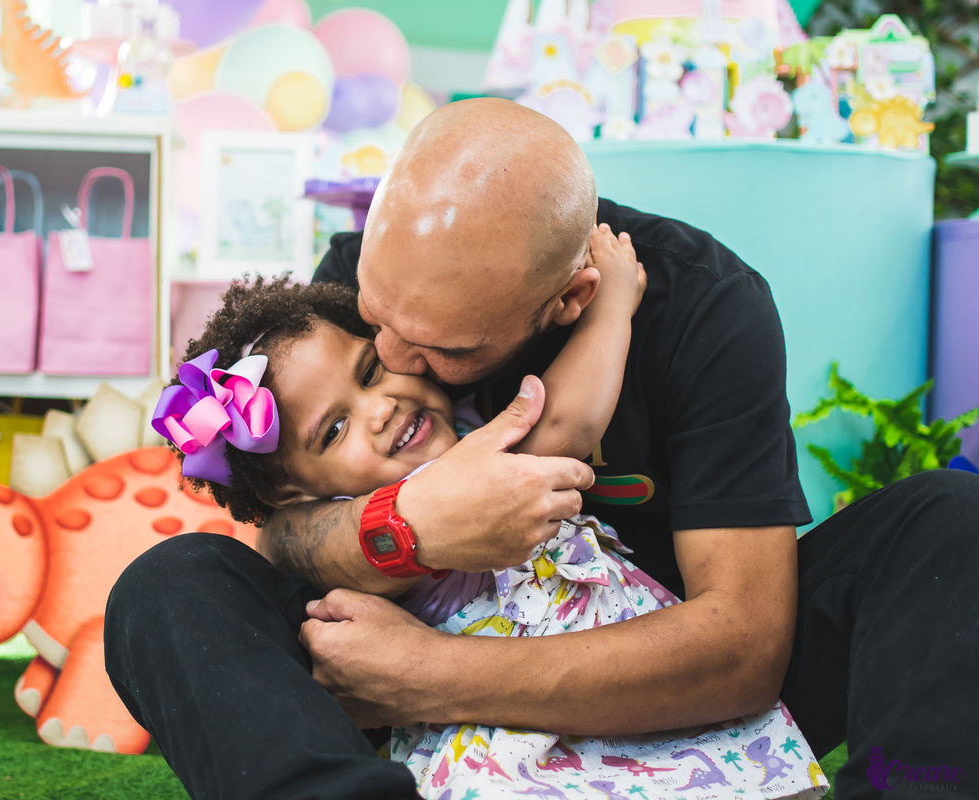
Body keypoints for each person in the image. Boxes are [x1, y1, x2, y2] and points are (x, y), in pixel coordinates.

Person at [106, 99, 979, 800]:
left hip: (658, 679)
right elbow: (285, 530)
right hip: (392, 669)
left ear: (573, 299)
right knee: (167, 586)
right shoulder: (361, 292)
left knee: (951, 520)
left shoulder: (706, 309)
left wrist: (436, 674)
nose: (400, 370)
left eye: (444, 352)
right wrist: (405, 531)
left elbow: (743, 646)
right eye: (378, 323)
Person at [139, 271, 827, 800]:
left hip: (618, 675)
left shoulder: (464, 425)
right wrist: (614, 306)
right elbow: (565, 428)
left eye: (371, 372)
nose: (382, 408)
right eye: (335, 429)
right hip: (509, 731)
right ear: (298, 490)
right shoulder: (384, 502)